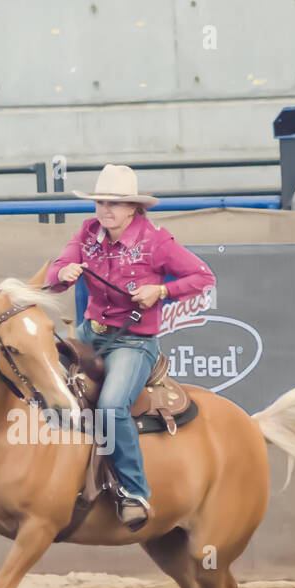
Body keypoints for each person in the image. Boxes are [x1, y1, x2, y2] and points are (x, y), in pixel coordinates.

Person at [47, 164, 216, 528]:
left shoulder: (156, 242)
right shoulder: (88, 233)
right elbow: (58, 268)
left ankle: (134, 492)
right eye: (100, 202)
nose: (105, 209)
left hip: (133, 342)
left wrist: (162, 290)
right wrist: (62, 273)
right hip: (90, 336)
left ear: (133, 208)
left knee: (110, 406)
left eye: (115, 203)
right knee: (37, 382)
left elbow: (203, 276)